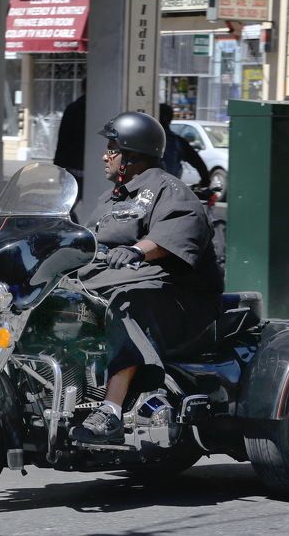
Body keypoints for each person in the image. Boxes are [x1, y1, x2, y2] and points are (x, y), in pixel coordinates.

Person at [69, 111, 224, 444]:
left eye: (112, 148)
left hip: (178, 300)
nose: (105, 155)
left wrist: (139, 250)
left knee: (127, 304)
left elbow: (178, 232)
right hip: (118, 288)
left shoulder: (170, 190)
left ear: (133, 154)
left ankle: (110, 411)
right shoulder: (110, 199)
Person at [54, 77, 86, 219]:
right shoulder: (102, 109)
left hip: (74, 168)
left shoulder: (72, 108)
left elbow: (63, 139)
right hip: (97, 168)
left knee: (65, 208)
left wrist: (59, 167)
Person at [158, 103, 209, 185]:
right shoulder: (177, 141)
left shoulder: (145, 137)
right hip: (169, 190)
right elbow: (199, 164)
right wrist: (205, 181)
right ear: (170, 119)